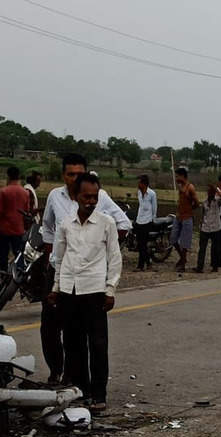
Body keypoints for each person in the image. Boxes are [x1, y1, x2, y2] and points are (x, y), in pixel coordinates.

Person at [40, 153, 130, 385]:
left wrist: (100, 255)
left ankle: (85, 385)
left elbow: (123, 224)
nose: (74, 178)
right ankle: (58, 372)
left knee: (90, 338)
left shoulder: (100, 201)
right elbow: (48, 227)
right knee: (54, 329)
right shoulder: (54, 197)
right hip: (62, 274)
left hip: (91, 282)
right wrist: (53, 256)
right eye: (70, 174)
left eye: (79, 174)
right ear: (64, 175)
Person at [47, 173, 121, 414]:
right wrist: (56, 288)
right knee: (73, 343)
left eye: (94, 197)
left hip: (94, 291)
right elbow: (59, 258)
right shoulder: (66, 224)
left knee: (98, 344)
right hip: (70, 290)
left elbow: (114, 258)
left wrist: (110, 289)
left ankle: (99, 394)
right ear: (76, 196)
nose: (90, 201)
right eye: (86, 196)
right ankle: (81, 390)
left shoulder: (106, 223)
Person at [0, 166, 31, 274]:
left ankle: (3, 276)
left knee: (3, 256)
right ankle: (18, 277)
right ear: (18, 176)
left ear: (8, 176)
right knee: (18, 255)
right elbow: (26, 211)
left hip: (4, 229)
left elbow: (0, 212)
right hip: (18, 229)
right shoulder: (25, 193)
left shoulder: (4, 191)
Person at [171, 167, 199, 272]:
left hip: (187, 218)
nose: (176, 178)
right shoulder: (180, 186)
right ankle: (183, 258)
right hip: (178, 217)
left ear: (182, 176)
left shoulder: (190, 187)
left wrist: (189, 210)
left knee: (184, 243)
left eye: (177, 176)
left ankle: (182, 264)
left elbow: (196, 202)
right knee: (173, 239)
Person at [194, 184, 221, 273]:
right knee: (202, 248)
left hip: (215, 227)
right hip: (205, 227)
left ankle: (215, 266)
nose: (209, 193)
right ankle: (200, 267)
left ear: (214, 193)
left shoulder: (218, 201)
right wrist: (200, 223)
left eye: (211, 192)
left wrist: (217, 190)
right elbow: (203, 214)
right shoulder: (205, 202)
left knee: (215, 249)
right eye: (209, 191)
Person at [134, 174, 158, 272]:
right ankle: (148, 263)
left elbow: (154, 208)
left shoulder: (152, 194)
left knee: (143, 244)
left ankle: (140, 266)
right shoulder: (139, 193)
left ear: (144, 183)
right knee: (140, 244)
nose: (138, 184)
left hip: (147, 221)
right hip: (139, 220)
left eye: (139, 182)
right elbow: (140, 206)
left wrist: (152, 219)